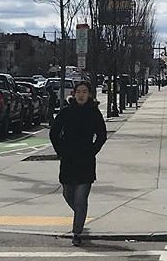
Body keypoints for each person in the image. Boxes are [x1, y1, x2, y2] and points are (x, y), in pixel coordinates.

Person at [49, 80, 106, 246]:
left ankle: (77, 232)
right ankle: (80, 216)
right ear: (74, 94)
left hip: (86, 161)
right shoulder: (66, 112)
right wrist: (61, 151)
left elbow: (101, 135)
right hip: (68, 160)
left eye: (85, 92)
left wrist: (93, 150)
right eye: (79, 91)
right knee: (68, 195)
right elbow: (54, 133)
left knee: (81, 199)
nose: (82, 95)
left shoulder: (94, 113)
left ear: (89, 95)